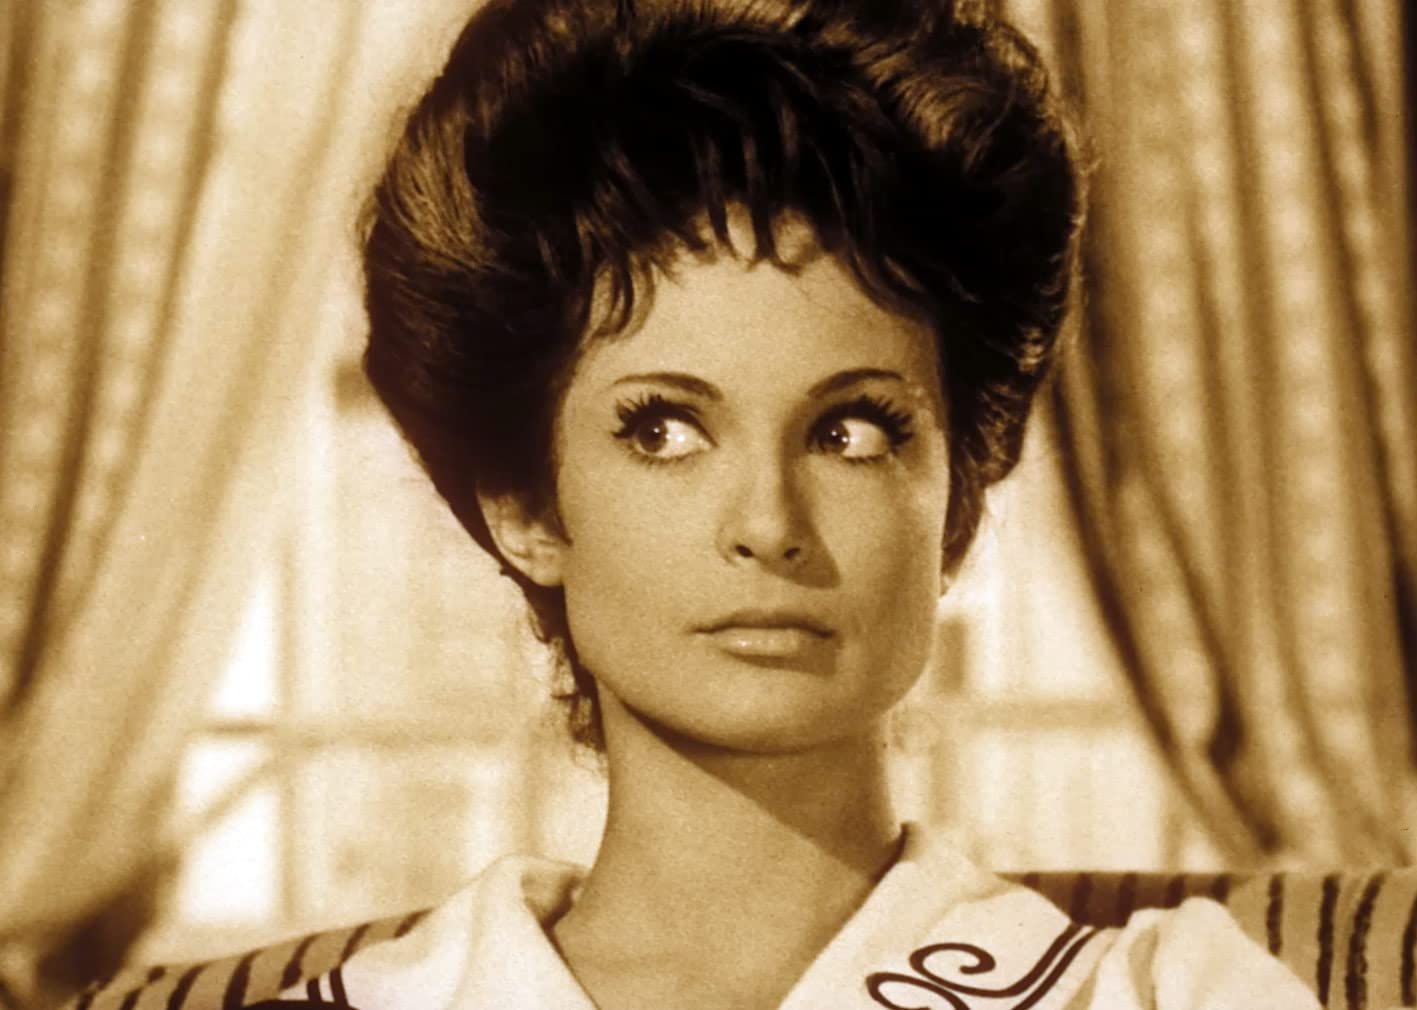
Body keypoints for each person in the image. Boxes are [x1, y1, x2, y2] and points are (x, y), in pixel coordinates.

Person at [68, 0, 1322, 1007]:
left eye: (851, 429)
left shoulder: (1166, 992)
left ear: (953, 503)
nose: (768, 522)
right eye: (662, 428)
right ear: (525, 508)